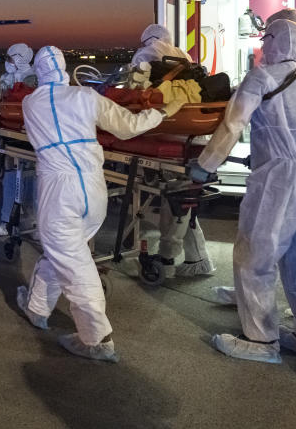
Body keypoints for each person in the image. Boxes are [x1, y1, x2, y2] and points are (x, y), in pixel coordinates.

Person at [17, 46, 187, 363]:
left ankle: (97, 339)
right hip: (93, 190)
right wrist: (162, 112)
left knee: (73, 264)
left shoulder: (30, 103)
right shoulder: (85, 98)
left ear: (39, 70)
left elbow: (43, 113)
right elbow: (128, 126)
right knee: (65, 253)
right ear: (66, 69)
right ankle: (37, 308)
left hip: (59, 194)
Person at [190, 20, 296, 363]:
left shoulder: (262, 77)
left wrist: (206, 164)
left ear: (272, 42)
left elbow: (232, 124)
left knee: (255, 256)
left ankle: (261, 340)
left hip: (280, 178)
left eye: (265, 39)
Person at [211, 8, 296, 322]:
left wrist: (208, 162)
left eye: (269, 37)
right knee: (287, 240)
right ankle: (261, 302)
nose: (264, 47)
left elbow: (241, 122)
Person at [132, 24, 215, 278]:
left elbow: (134, 93)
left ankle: (167, 259)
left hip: (165, 133)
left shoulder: (144, 56)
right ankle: (198, 258)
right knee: (183, 198)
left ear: (146, 39)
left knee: (176, 199)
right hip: (192, 134)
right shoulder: (185, 57)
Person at [0, 43, 38, 237]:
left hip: (32, 135)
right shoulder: (6, 78)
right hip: (11, 135)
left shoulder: (34, 78)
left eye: (10, 59)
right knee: (12, 176)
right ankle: (7, 218)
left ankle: (34, 219)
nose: (8, 63)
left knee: (35, 179)